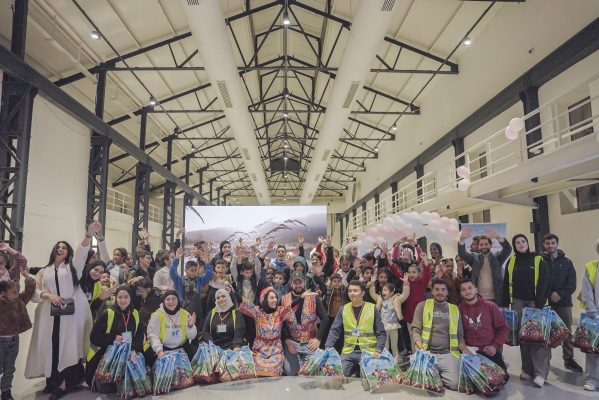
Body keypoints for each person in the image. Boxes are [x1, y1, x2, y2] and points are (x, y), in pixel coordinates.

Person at [25, 223, 97, 400]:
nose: (60, 249)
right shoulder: (44, 271)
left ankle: (65, 382)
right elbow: (35, 293)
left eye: (64, 247)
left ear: (68, 252)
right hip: (49, 316)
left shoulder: (73, 268)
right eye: (58, 246)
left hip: (70, 316)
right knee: (52, 346)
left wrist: (88, 235)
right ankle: (52, 380)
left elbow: (81, 253)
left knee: (69, 347)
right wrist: (48, 295)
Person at [502, 234, 550, 388]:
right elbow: (506, 283)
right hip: (517, 302)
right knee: (524, 337)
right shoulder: (512, 261)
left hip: (535, 302)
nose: (521, 244)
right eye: (517, 242)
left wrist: (539, 304)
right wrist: (505, 303)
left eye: (523, 241)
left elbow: (544, 283)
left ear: (528, 243)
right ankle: (527, 369)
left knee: (537, 337)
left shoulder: (538, 260)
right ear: (514, 246)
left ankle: (540, 373)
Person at [411, 279, 471, 390]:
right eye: (437, 289)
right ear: (432, 291)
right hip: (428, 353)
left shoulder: (454, 309)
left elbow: (460, 336)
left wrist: (466, 351)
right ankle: (434, 374)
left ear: (447, 292)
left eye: (443, 290)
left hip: (448, 354)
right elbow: (415, 330)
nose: (440, 292)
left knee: (455, 384)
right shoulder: (422, 306)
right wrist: (421, 349)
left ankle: (437, 373)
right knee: (424, 385)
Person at [85, 286, 144, 391]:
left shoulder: (135, 314)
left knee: (138, 381)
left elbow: (139, 336)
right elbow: (94, 337)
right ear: (115, 298)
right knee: (106, 388)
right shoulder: (108, 313)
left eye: (126, 297)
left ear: (131, 298)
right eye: (120, 297)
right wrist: (113, 338)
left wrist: (133, 350)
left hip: (128, 353)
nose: (123, 300)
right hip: (106, 356)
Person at [324, 280, 387, 377]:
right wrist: (328, 347)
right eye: (350, 291)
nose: (352, 293)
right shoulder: (343, 309)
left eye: (355, 291)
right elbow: (334, 331)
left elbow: (381, 333)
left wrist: (378, 350)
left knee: (369, 378)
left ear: (363, 293)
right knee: (335, 375)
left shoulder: (372, 308)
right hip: (348, 351)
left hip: (369, 351)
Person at [236, 287, 301, 377]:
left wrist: (301, 297)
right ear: (265, 300)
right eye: (271, 298)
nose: (275, 300)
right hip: (259, 351)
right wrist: (232, 291)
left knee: (273, 374)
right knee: (257, 374)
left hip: (276, 351)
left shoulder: (280, 311)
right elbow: (243, 303)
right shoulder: (257, 311)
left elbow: (290, 307)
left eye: (275, 297)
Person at [542, 233, 582, 372]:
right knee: (546, 331)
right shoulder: (540, 261)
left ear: (557, 244)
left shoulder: (567, 262)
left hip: (564, 302)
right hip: (546, 303)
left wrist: (560, 294)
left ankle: (569, 359)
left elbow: (572, 283)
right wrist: (549, 294)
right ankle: (545, 359)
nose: (550, 245)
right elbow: (539, 282)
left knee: (567, 332)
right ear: (544, 245)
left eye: (553, 243)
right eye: (547, 243)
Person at [281, 272, 329, 376]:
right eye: (295, 282)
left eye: (300, 282)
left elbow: (325, 318)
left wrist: (318, 339)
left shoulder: (313, 297)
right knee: (290, 372)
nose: (298, 285)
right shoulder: (284, 299)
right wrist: (287, 341)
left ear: (305, 282)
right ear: (291, 283)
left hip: (310, 342)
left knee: (311, 372)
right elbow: (280, 322)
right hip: (292, 343)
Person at [458, 279, 508, 371]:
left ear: (476, 289)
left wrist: (494, 346)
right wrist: (464, 349)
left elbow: (503, 328)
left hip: (489, 351)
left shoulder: (491, 306)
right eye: (463, 289)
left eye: (470, 288)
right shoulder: (458, 309)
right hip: (469, 352)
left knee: (501, 378)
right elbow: (457, 334)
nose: (467, 291)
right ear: (461, 293)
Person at [0, 268, 34, 400]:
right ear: (4, 293)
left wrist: (27, 278)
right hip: (1, 341)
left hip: (14, 340)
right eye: (13, 292)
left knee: (9, 368)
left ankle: (6, 392)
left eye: (17, 291)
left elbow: (29, 292)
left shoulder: (19, 300)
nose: (16, 294)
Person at [458, 227, 512, 305]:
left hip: (496, 298)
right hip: (478, 298)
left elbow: (508, 249)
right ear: (478, 246)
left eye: (486, 244)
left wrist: (498, 237)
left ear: (490, 245)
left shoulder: (497, 257)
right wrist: (462, 239)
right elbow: (462, 253)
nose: (484, 246)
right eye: (481, 244)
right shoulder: (474, 258)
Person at [147, 290, 198, 365]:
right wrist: (159, 350)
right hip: (163, 348)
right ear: (164, 301)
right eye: (168, 299)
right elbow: (152, 335)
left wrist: (190, 326)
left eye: (174, 299)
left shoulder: (185, 313)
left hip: (182, 347)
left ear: (178, 300)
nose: (171, 301)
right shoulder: (157, 315)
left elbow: (192, 337)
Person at [170, 246, 213, 333]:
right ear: (186, 270)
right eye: (192, 270)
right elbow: (173, 272)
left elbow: (209, 275)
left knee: (197, 329)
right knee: (184, 329)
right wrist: (176, 259)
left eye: (195, 270)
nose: (194, 272)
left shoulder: (199, 280)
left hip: (198, 308)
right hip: (184, 307)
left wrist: (206, 261)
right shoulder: (180, 280)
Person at [369, 278, 410, 361]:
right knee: (385, 345)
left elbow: (405, 294)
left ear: (391, 292)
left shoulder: (396, 300)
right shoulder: (380, 300)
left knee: (394, 345)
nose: (383, 292)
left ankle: (395, 360)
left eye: (386, 290)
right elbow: (372, 293)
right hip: (383, 327)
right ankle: (385, 360)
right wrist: (372, 283)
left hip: (393, 326)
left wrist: (406, 284)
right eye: (382, 290)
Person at [581, 239, 599, 391]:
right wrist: (593, 312)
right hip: (596, 316)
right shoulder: (592, 266)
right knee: (592, 349)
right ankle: (592, 379)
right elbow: (587, 291)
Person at [323, 273, 348, 352]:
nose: (337, 283)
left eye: (339, 281)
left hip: (342, 317)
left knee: (341, 336)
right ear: (331, 282)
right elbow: (322, 286)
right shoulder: (328, 290)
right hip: (331, 317)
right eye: (335, 281)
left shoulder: (345, 290)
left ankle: (340, 351)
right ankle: (329, 351)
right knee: (330, 335)